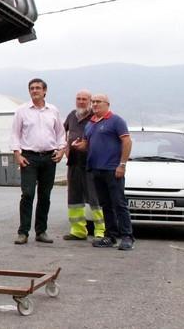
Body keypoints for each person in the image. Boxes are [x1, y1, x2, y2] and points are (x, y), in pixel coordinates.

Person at [72, 93, 134, 250]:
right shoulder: (90, 123)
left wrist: (122, 164)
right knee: (105, 204)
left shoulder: (116, 121)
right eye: (93, 102)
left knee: (119, 203)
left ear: (107, 104)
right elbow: (86, 144)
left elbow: (126, 141)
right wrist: (78, 146)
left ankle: (127, 236)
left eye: (98, 102)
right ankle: (110, 236)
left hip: (112, 169)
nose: (94, 104)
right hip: (96, 169)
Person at [10, 78, 66, 244]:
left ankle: (41, 231)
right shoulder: (21, 111)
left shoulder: (53, 111)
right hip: (29, 157)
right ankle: (23, 232)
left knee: (45, 195)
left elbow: (60, 133)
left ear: (45, 91)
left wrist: (62, 150)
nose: (34, 91)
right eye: (32, 88)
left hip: (49, 157)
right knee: (27, 194)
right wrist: (17, 154)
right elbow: (15, 134)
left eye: (37, 88)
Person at [62, 90, 106, 241]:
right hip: (73, 162)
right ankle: (78, 231)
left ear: (90, 101)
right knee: (74, 198)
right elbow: (62, 132)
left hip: (91, 163)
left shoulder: (95, 117)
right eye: (78, 99)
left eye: (84, 99)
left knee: (94, 198)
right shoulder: (71, 116)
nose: (81, 101)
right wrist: (66, 148)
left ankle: (100, 231)